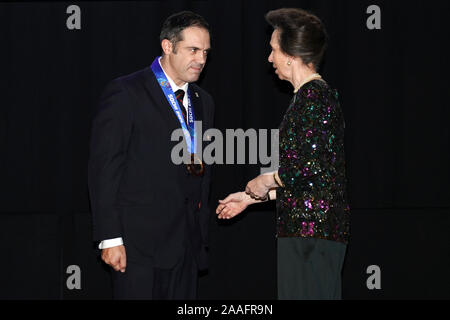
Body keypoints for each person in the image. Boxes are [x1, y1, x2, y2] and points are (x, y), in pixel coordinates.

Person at [216, 8, 350, 300]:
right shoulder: (309, 96)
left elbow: (313, 168)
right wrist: (250, 198)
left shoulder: (314, 96)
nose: (269, 58)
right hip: (307, 232)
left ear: (291, 56)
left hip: (311, 234)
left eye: (273, 50)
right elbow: (311, 179)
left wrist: (266, 181)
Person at [88, 11, 214, 299]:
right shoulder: (126, 92)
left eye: (206, 52)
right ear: (168, 46)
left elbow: (202, 172)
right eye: (193, 50)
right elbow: (104, 169)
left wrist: (201, 230)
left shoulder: (203, 102)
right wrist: (110, 237)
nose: (202, 59)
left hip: (187, 246)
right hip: (136, 247)